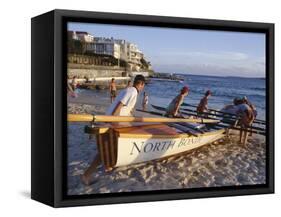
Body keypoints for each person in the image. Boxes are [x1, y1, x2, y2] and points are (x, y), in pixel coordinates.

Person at [81, 75, 146, 185]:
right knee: (105, 150)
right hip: (113, 121)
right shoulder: (133, 92)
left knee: (110, 147)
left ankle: (108, 165)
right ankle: (86, 175)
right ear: (141, 84)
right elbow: (119, 106)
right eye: (143, 86)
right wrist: (113, 121)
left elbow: (123, 107)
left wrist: (129, 115)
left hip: (113, 119)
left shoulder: (128, 89)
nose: (142, 88)